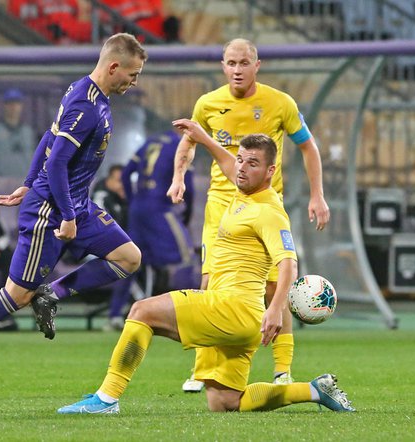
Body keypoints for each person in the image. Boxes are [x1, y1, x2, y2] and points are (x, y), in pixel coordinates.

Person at [57, 127, 353, 414]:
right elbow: (228, 163)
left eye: (253, 163)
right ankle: (315, 391)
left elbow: (289, 262)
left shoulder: (268, 210)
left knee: (141, 311)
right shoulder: (244, 192)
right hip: (241, 320)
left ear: (270, 172)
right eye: (242, 160)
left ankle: (106, 397)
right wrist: (203, 138)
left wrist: (275, 309)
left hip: (232, 308)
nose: (242, 168)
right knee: (225, 402)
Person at [0, 33, 148, 395]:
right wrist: (66, 214)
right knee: (16, 295)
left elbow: (49, 137)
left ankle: (54, 294)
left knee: (128, 257)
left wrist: (28, 182)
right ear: (113, 67)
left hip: (75, 202)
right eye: (133, 74)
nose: (134, 82)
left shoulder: (91, 93)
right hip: (52, 211)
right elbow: (58, 160)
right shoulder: (85, 105)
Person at [167, 38, 330, 392]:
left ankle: (282, 370)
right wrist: (179, 177)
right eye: (230, 63)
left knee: (275, 288)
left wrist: (317, 195)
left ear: (258, 65)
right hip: (221, 208)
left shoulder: (280, 103)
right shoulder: (208, 103)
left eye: (244, 63)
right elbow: (189, 141)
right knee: (210, 285)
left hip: (264, 207)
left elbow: (308, 146)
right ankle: (201, 370)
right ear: (223, 66)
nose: (237, 70)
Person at [120, 128, 197, 299]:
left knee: (131, 260)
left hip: (138, 209)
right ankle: (186, 308)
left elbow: (125, 174)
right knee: (185, 257)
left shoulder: (150, 142)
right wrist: (187, 215)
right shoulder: (181, 146)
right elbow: (189, 188)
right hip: (160, 209)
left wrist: (133, 201)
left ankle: (116, 314)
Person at [92, 164, 131, 330]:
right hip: (93, 247)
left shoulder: (120, 197)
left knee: (138, 263)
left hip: (114, 247)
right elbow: (99, 228)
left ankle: (125, 310)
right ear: (108, 180)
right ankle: (118, 314)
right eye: (117, 180)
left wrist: (125, 200)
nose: (121, 184)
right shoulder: (101, 197)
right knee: (130, 267)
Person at [0, 88, 36, 178]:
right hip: (0, 180)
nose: (13, 107)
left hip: (23, 181)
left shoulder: (28, 131)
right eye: (10, 103)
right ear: (4, 105)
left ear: (21, 106)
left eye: (17, 103)